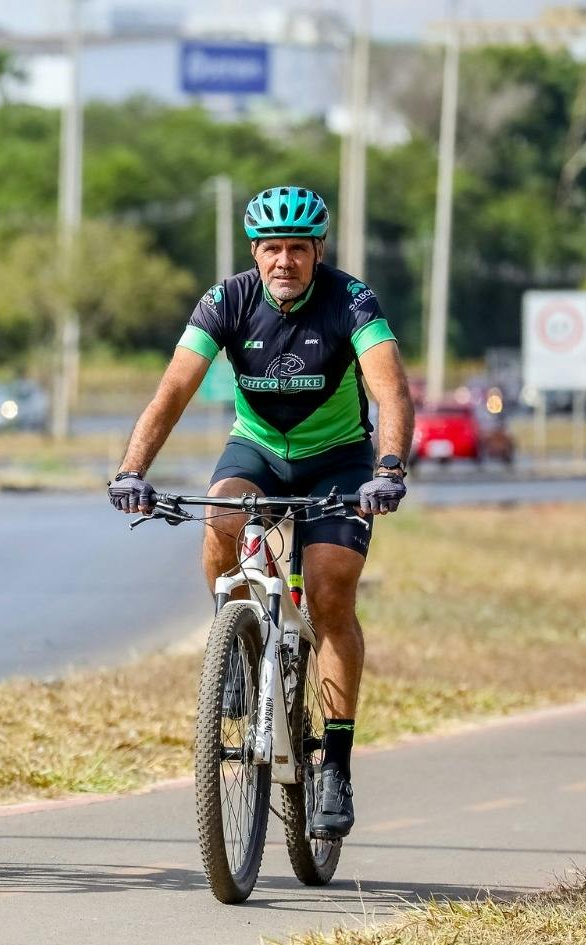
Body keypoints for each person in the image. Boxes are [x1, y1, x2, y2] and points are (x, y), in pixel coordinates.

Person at [107, 185, 413, 839]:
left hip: (339, 460)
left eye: (297, 250)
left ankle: (334, 764)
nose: (284, 261)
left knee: (330, 591)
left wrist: (387, 471)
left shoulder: (352, 301)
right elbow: (172, 392)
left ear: (316, 252)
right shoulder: (225, 302)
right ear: (255, 252)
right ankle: (237, 643)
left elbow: (391, 391)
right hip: (258, 452)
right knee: (220, 519)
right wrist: (133, 469)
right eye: (271, 248)